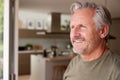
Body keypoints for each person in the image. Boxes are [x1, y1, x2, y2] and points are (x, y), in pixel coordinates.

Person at [63, 1, 120, 80]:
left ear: (103, 31)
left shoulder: (116, 70)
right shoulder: (73, 63)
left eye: (82, 26)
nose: (74, 34)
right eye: (72, 27)